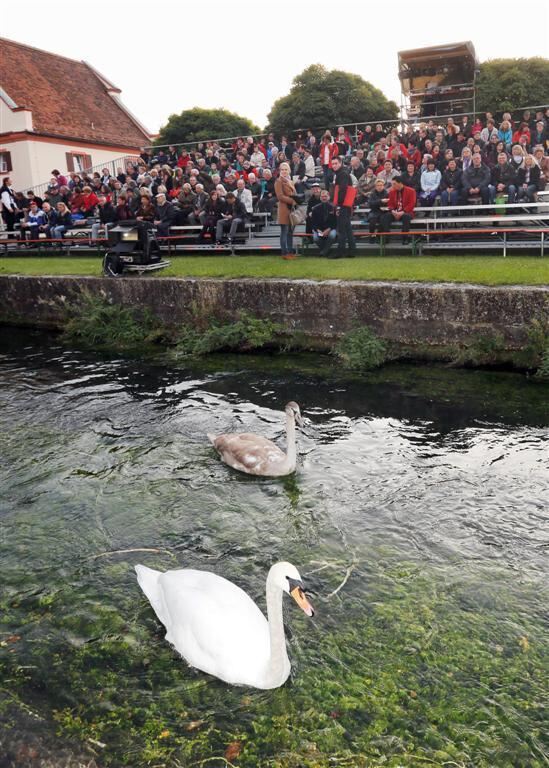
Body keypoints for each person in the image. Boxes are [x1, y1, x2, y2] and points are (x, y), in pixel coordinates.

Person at [330, 156, 356, 258]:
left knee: (342, 230)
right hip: (345, 205)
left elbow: (343, 190)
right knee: (348, 229)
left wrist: (339, 206)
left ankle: (340, 252)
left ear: (340, 163)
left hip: (343, 205)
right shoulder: (342, 173)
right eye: (333, 164)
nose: (334, 165)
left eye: (336, 163)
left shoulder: (342, 174)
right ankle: (352, 251)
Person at [380, 176, 416, 245]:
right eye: (392, 184)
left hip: (406, 212)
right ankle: (386, 237)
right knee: (385, 217)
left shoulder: (411, 191)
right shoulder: (392, 192)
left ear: (400, 183)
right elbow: (390, 204)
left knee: (406, 217)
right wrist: (393, 211)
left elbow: (412, 203)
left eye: (394, 184)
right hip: (395, 212)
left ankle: (405, 238)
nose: (392, 186)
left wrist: (403, 212)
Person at [274, 163, 297, 260]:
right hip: (284, 209)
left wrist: (297, 199)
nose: (284, 171)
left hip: (291, 210)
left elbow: (294, 193)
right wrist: (292, 201)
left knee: (290, 232)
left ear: (289, 170)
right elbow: (280, 196)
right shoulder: (278, 181)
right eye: (282, 169)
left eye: (286, 169)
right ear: (280, 171)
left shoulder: (290, 181)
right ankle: (284, 253)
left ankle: (290, 252)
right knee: (284, 231)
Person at [311, 189, 337, 257]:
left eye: (325, 196)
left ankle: (324, 252)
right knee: (316, 238)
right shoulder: (315, 208)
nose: (324, 198)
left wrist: (328, 229)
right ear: (320, 198)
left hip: (331, 228)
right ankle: (326, 251)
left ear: (329, 197)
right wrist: (318, 230)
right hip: (319, 229)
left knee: (332, 235)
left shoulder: (333, 207)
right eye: (322, 196)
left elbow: (335, 222)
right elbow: (313, 222)